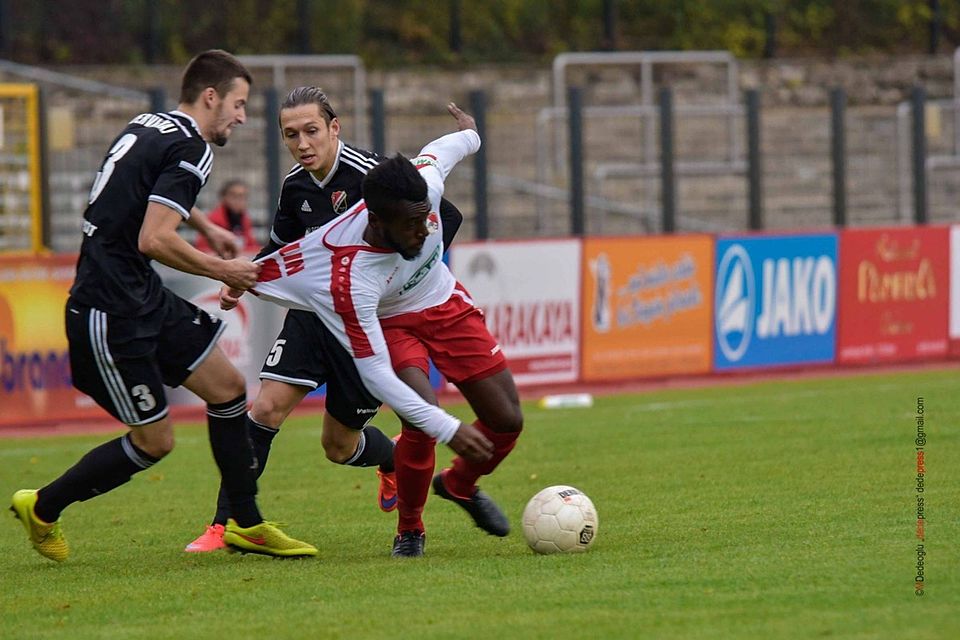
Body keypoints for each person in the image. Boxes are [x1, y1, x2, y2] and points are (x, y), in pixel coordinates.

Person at [9, 50, 316, 562]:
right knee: (155, 442)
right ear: (211, 96)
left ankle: (245, 522)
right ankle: (42, 506)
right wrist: (226, 269)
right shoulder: (194, 146)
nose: (242, 117)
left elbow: (142, 194)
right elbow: (154, 238)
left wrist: (205, 225)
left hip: (139, 294)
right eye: (238, 104)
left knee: (226, 388)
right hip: (108, 310)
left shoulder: (151, 125)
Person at [184, 86, 465, 552]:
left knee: (338, 447)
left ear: (335, 128)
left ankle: (393, 460)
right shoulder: (296, 185)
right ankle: (226, 523)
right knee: (266, 408)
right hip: (314, 316)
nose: (302, 143)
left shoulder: (373, 176)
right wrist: (244, 277)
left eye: (312, 130)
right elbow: (280, 248)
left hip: (363, 326)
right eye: (291, 135)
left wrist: (404, 275)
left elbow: (444, 215)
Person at [249, 103, 523, 558]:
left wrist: (471, 133)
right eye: (411, 225)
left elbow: (444, 151)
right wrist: (449, 428)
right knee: (419, 415)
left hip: (444, 303)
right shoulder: (351, 273)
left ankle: (458, 485)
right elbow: (375, 374)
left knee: (508, 421)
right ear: (376, 222)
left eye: (425, 219)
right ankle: (410, 529)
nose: (423, 231)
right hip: (392, 321)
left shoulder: (425, 188)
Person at [194, 179, 260, 254]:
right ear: (224, 197)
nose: (238, 200)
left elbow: (252, 247)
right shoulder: (212, 220)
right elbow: (203, 250)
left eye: (242, 196)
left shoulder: (245, 220)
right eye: (234, 196)